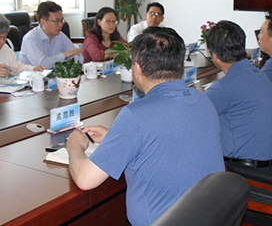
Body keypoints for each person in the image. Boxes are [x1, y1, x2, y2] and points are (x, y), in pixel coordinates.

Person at [66, 27, 224, 226]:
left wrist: (75, 146)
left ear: (138, 69)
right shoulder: (202, 100)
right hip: (211, 218)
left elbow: (85, 179)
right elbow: (169, 140)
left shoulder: (136, 116)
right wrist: (116, 137)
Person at [205, 20, 272, 169]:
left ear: (215, 56)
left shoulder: (225, 87)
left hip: (243, 171)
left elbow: (192, 115)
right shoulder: (258, 74)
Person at [19, 1, 83, 69]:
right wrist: (64, 55)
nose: (61, 25)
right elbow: (42, 64)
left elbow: (77, 54)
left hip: (55, 74)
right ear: (43, 22)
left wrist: (72, 61)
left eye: (61, 20)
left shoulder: (60, 35)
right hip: (33, 75)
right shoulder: (30, 39)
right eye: (56, 21)